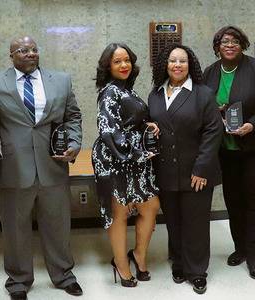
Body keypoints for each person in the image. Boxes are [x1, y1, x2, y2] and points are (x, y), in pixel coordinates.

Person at [0, 35, 83, 300]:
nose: (30, 54)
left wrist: (73, 144)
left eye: (34, 50)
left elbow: (72, 115)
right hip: (14, 168)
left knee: (58, 224)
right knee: (15, 228)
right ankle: (18, 280)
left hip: (54, 165)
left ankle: (64, 275)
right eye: (23, 50)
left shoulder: (61, 80)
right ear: (12, 55)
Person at [203, 26, 255, 280]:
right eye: (224, 41)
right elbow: (204, 105)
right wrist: (216, 111)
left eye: (235, 40)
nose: (229, 44)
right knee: (233, 200)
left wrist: (253, 124)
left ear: (242, 44)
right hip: (227, 149)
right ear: (217, 47)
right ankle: (240, 247)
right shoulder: (210, 72)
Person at [148, 43, 223, 295]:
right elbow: (151, 127)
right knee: (174, 222)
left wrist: (201, 168)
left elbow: (213, 131)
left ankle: (197, 271)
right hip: (166, 170)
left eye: (182, 61)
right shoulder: (155, 95)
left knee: (196, 223)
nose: (177, 65)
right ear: (164, 66)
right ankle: (179, 262)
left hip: (197, 172)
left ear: (190, 64)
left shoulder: (203, 93)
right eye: (172, 61)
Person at [92, 43, 161, 287]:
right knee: (119, 213)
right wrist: (136, 153)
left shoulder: (127, 89)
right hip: (115, 160)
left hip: (136, 160)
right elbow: (109, 131)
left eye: (127, 60)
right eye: (117, 61)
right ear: (108, 67)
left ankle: (139, 254)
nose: (124, 65)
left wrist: (147, 125)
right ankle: (121, 263)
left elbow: (129, 120)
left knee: (150, 207)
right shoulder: (109, 91)